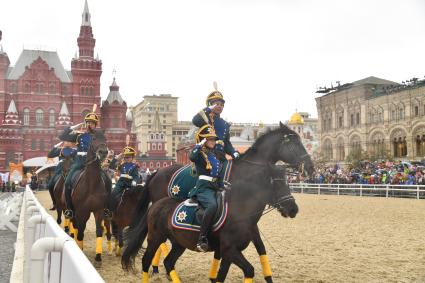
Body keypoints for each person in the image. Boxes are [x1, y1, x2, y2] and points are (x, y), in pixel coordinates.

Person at [188, 124, 222, 252]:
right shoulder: (199, 154)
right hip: (204, 188)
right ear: (204, 140)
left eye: (214, 139)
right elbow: (191, 157)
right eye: (210, 139)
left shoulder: (214, 156)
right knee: (212, 206)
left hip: (215, 186)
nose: (213, 141)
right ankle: (201, 238)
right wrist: (198, 144)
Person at [62, 112, 100, 219]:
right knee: (67, 183)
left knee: (106, 181)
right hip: (79, 163)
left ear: (95, 125)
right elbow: (63, 136)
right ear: (85, 123)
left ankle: (106, 208)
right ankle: (69, 209)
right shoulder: (79, 136)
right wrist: (76, 126)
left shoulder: (98, 136)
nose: (90, 125)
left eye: (93, 123)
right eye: (88, 123)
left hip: (93, 163)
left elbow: (103, 148)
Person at [192, 83, 239, 161]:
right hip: (206, 156)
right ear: (210, 105)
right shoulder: (204, 119)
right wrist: (208, 109)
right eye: (216, 104)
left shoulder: (225, 124)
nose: (219, 106)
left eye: (221, 104)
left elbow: (226, 144)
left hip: (221, 157)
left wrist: (233, 152)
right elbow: (195, 120)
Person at [46, 135, 77, 210]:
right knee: (50, 185)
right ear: (63, 142)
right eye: (66, 141)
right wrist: (56, 146)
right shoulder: (60, 150)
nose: (68, 143)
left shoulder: (74, 151)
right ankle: (55, 203)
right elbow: (49, 155)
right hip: (60, 170)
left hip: (71, 169)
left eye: (69, 141)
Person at [107, 146, 140, 213]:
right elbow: (111, 166)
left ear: (132, 158)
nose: (126, 159)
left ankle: (138, 212)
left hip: (130, 184)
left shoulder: (135, 166)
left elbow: (136, 176)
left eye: (128, 157)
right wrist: (116, 158)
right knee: (113, 194)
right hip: (121, 183)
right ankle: (110, 211)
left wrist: (134, 181)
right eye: (125, 157)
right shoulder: (121, 165)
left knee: (137, 197)